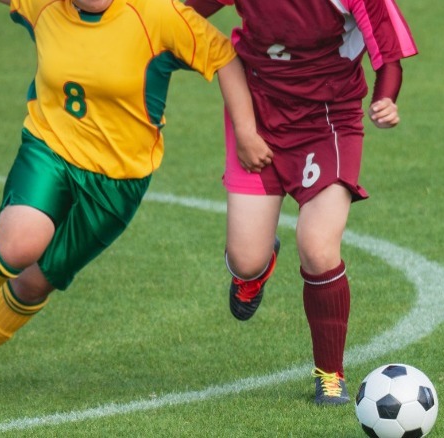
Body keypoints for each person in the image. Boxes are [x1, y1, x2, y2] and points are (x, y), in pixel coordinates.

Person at [0, 0, 270, 396]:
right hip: (50, 151)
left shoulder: (158, 15)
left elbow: (224, 57)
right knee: (19, 243)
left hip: (118, 182)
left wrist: (245, 131)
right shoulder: (44, 5)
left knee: (35, 284)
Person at [185, 0, 418, 405]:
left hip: (329, 121)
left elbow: (389, 55)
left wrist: (386, 98)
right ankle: (253, 273)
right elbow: (175, 15)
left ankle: (330, 374)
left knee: (318, 246)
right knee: (245, 259)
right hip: (256, 116)